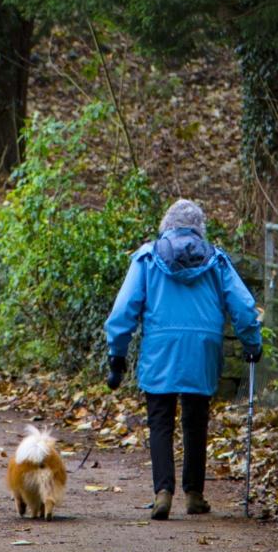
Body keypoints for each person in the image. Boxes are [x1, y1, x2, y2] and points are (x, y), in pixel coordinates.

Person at [104, 198, 262, 520]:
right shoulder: (216, 260)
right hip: (202, 348)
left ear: (166, 224)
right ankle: (194, 493)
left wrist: (116, 357)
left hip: (160, 349)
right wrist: (252, 344)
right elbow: (244, 307)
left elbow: (123, 310)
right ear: (198, 228)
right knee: (195, 420)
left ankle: (163, 492)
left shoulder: (147, 257)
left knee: (159, 421)